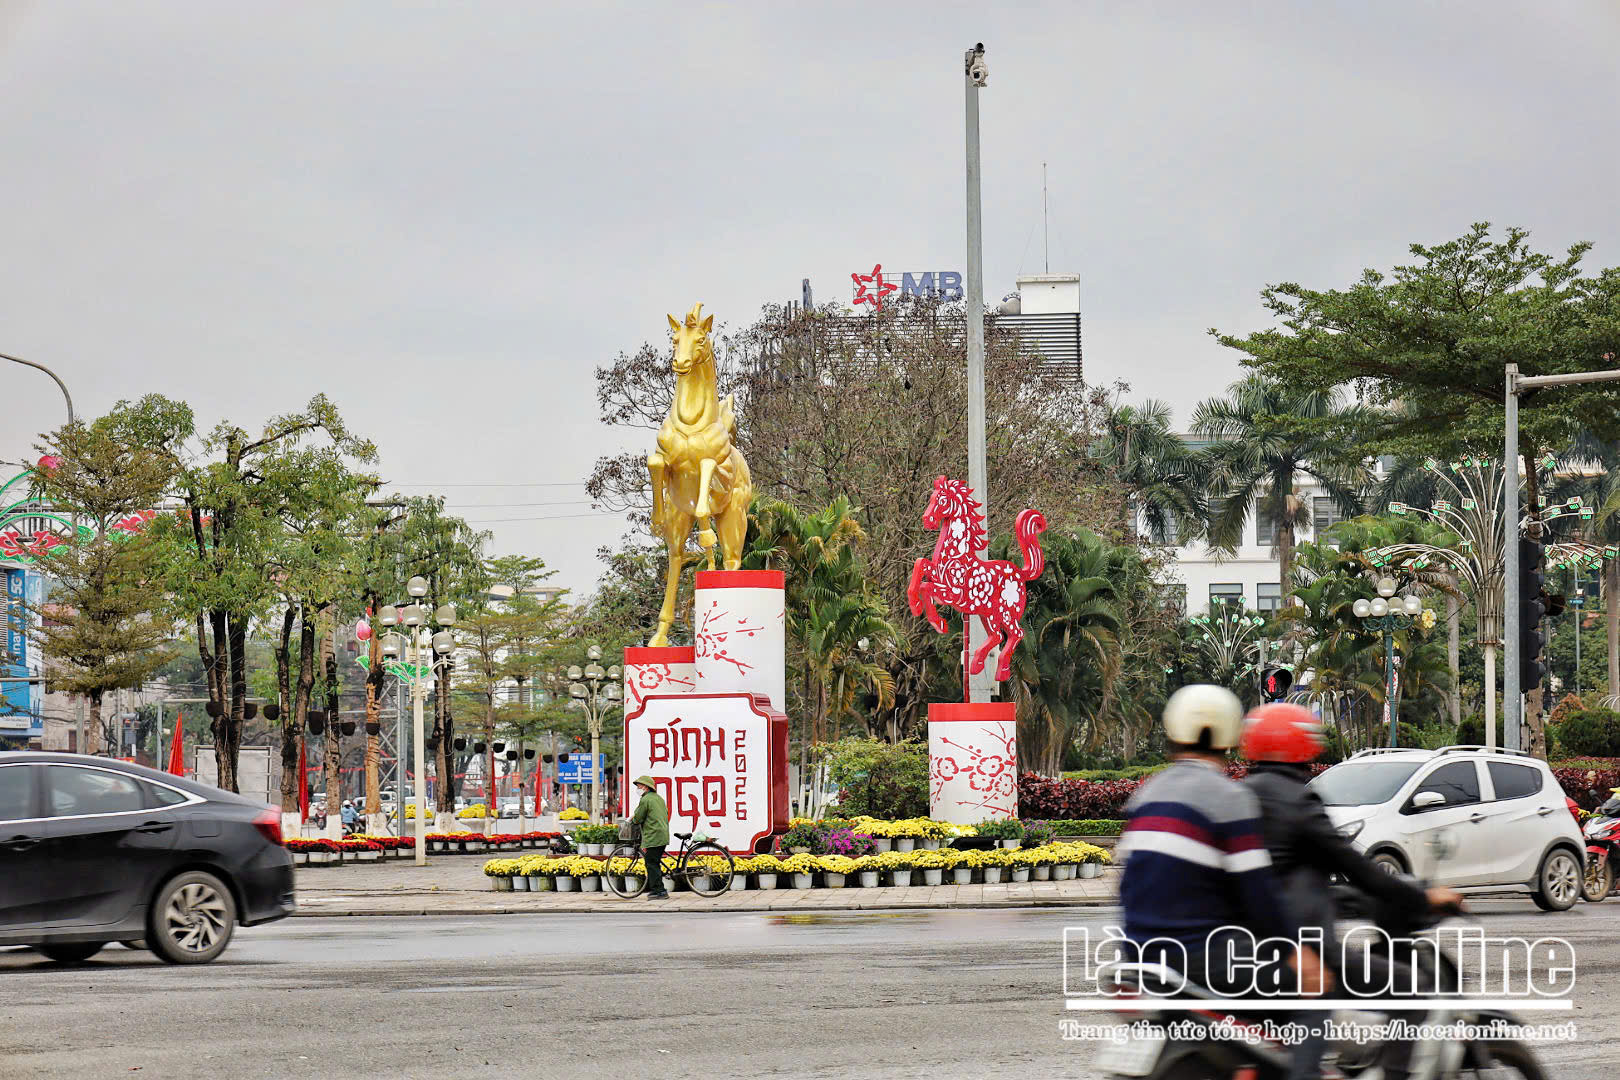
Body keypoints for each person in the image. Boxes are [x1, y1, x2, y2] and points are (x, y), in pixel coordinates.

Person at [1241, 703, 1463, 1080]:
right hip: (1302, 948)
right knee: (1412, 987)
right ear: (1303, 746)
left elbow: (1297, 873)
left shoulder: (1241, 795)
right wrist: (1424, 896)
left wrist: (1351, 901)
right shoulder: (1298, 800)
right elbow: (1357, 868)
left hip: (1242, 946)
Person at [1117, 684, 1329, 1000]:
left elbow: (1126, 885)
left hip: (1137, 956)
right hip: (1201, 957)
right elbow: (1258, 892)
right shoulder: (1229, 797)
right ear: (1229, 735)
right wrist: (1295, 951)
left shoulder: (1146, 794)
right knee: (1314, 988)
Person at [629, 775, 670, 900]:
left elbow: (638, 817)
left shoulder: (645, 799)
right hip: (662, 833)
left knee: (651, 863)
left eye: (639, 786)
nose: (638, 788)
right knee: (654, 862)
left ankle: (660, 891)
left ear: (646, 787)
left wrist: (633, 821)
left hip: (654, 835)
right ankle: (657, 889)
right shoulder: (658, 798)